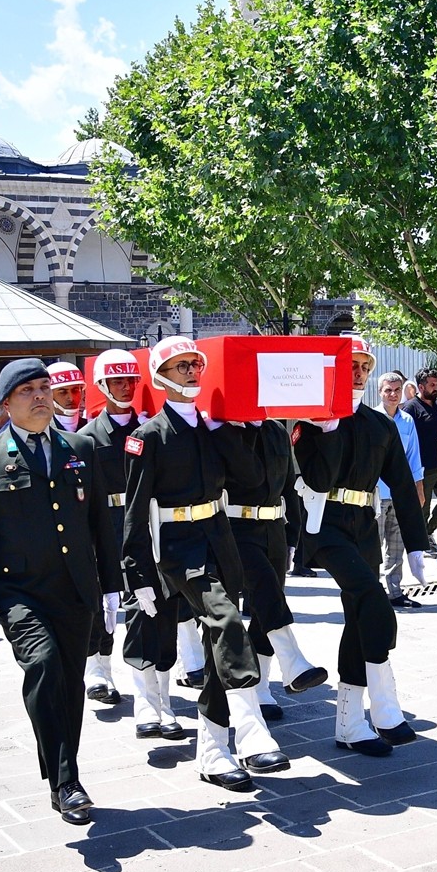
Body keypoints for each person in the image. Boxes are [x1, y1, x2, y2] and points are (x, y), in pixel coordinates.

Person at [0, 358, 123, 825]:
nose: (40, 396)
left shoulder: (79, 448)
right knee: (45, 668)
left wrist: (112, 586)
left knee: (71, 687)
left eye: (44, 387)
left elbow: (100, 527)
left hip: (74, 590)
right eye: (27, 390)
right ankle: (66, 779)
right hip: (19, 592)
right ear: (5, 403)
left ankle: (62, 778)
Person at [124, 336, 290, 792]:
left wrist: (224, 431)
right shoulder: (148, 437)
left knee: (220, 640)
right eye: (181, 368)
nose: (192, 373)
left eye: (195, 366)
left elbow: (252, 478)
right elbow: (135, 512)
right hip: (179, 547)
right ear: (161, 377)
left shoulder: (210, 428)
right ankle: (251, 728)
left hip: (220, 539)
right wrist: (137, 575)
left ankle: (214, 752)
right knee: (227, 619)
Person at [293, 334, 428, 757]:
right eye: (350, 364)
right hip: (323, 523)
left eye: (365, 367)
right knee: (373, 599)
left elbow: (404, 487)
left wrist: (417, 545)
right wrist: (328, 427)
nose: (359, 373)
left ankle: (350, 725)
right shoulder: (309, 421)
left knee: (358, 616)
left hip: (364, 526)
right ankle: (385, 705)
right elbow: (316, 479)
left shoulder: (380, 424)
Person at [227, 416, 328, 720]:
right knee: (266, 592)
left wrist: (293, 533)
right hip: (236, 527)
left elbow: (287, 485)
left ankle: (261, 687)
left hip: (273, 529)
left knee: (263, 610)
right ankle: (292, 660)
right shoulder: (225, 430)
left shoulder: (276, 431)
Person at [77, 350, 143, 711]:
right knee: (102, 602)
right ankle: (98, 670)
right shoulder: (87, 438)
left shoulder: (147, 429)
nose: (126, 387)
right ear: (102, 385)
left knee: (141, 602)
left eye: (131, 380)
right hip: (103, 527)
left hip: (140, 525)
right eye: (118, 381)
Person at [374, 371, 426, 608]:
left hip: (399, 494)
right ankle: (371, 592)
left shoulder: (407, 421)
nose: (393, 395)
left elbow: (414, 458)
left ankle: (395, 592)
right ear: (380, 392)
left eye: (397, 390)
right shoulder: (371, 419)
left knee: (396, 546)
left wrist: (419, 489)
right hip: (374, 494)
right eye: (388, 390)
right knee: (373, 546)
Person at [402, 367, 437, 547]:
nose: (435, 387)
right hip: (423, 467)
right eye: (432, 385)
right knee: (423, 507)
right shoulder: (411, 408)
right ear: (421, 387)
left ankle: (427, 531)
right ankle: (420, 541)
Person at [48, 362, 88, 432]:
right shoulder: (40, 432)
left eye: (75, 390)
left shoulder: (95, 430)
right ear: (49, 394)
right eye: (63, 392)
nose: (71, 398)